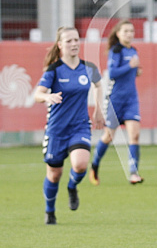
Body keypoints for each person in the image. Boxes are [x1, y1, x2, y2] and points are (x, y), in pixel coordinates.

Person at [34, 26, 105, 224]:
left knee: (80, 164)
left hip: (80, 125)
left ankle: (72, 187)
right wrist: (47, 96)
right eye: (69, 41)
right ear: (60, 45)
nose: (74, 44)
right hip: (56, 129)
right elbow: (37, 94)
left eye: (76, 40)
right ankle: (50, 211)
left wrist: (99, 109)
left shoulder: (88, 67)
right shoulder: (54, 69)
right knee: (54, 174)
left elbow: (98, 85)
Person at [89, 20, 144, 185]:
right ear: (118, 34)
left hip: (131, 100)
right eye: (125, 31)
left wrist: (136, 70)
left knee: (134, 135)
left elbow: (130, 72)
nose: (129, 34)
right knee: (108, 136)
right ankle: (95, 165)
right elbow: (112, 73)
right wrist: (130, 66)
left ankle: (133, 173)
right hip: (115, 100)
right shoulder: (116, 50)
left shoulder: (133, 50)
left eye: (131, 31)